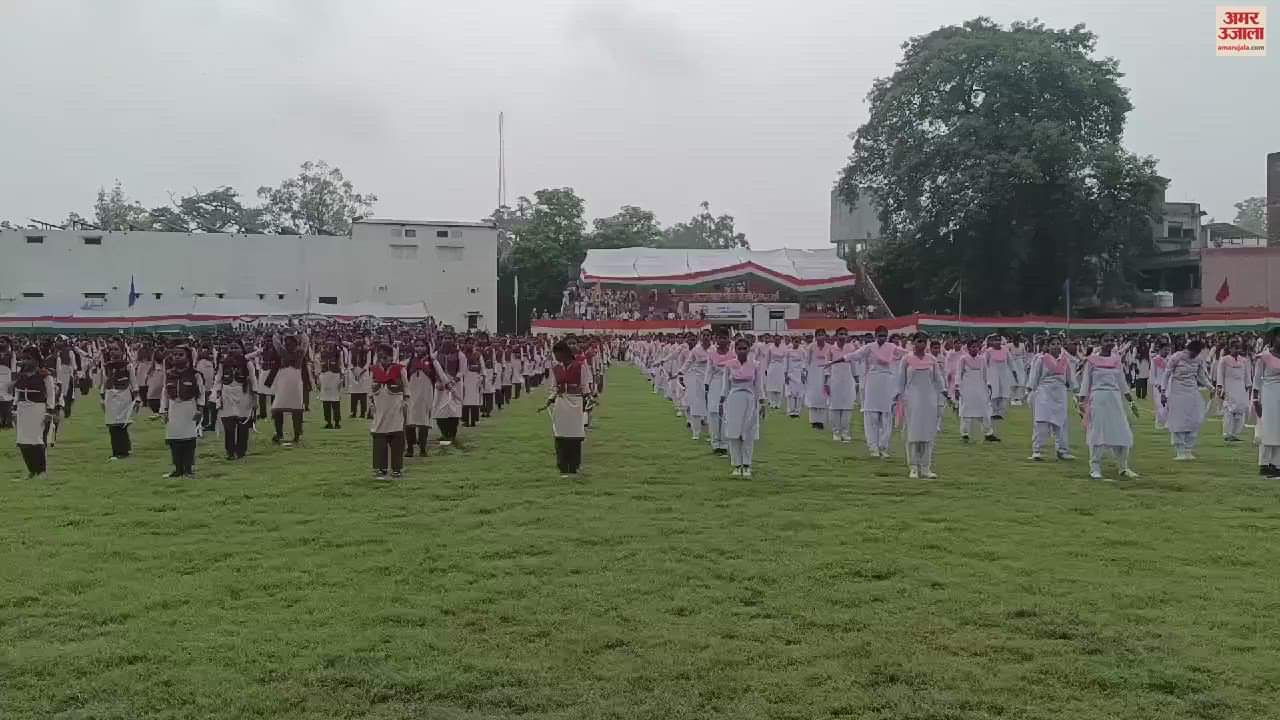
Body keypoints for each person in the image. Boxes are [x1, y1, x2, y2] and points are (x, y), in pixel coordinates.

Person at [1079, 335, 1140, 481]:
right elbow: (1086, 380)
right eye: (1106, 340)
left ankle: (1123, 467)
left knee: (1122, 431)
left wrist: (1129, 398)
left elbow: (1121, 380)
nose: (1109, 343)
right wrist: (1082, 399)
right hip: (1098, 398)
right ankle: (1095, 468)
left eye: (1111, 340)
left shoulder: (1116, 359)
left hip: (1115, 399)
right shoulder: (1092, 360)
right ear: (1100, 343)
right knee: (1098, 432)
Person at [843, 325, 904, 458]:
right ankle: (873, 447)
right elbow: (854, 355)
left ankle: (883, 446)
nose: (882, 337)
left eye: (885, 335)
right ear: (876, 335)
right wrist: (835, 361)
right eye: (880, 335)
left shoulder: (892, 347)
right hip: (873, 380)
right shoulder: (869, 347)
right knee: (872, 415)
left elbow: (906, 354)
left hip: (887, 381)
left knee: (887, 416)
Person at [898, 333, 948, 479]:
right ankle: (913, 467)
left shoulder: (931, 359)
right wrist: (898, 396)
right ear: (913, 343)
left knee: (927, 433)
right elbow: (901, 381)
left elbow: (938, 380)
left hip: (929, 400)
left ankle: (925, 467)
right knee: (913, 433)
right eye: (919, 341)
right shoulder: (906, 359)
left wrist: (944, 393)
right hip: (912, 400)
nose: (922, 345)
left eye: (924, 342)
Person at [719, 336, 766, 478]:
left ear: (749, 349)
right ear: (735, 349)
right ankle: (736, 465)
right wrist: (721, 402)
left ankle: (746, 465)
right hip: (733, 400)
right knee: (734, 433)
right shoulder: (729, 365)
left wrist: (762, 402)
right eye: (739, 348)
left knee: (748, 433)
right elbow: (725, 386)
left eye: (744, 348)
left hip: (750, 400)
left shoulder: (755, 365)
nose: (742, 351)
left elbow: (758, 385)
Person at [1025, 336, 1075, 461]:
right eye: (1053, 344)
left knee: (1061, 422)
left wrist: (1075, 389)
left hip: (1060, 393)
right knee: (1041, 421)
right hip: (1044, 392)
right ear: (1047, 346)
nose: (1056, 346)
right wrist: (1030, 390)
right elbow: (1034, 376)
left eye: (1058, 343)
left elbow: (1070, 378)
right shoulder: (1040, 359)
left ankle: (1062, 450)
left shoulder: (1065, 360)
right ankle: (1037, 450)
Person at [10, 347, 56, 478]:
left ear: (36, 360)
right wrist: (14, 408)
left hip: (38, 409)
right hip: (22, 409)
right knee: (23, 441)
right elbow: (17, 392)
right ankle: (31, 470)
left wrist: (49, 411)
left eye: (28, 358)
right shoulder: (21, 375)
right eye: (24, 358)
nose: (25, 361)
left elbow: (51, 394)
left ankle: (41, 470)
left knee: (36, 440)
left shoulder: (45, 375)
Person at [160, 347, 205, 479]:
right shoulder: (168, 374)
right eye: (175, 355)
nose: (177, 357)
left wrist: (200, 410)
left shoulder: (195, 374)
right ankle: (177, 469)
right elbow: (165, 393)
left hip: (189, 408)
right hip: (173, 410)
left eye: (181, 355)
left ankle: (188, 469)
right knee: (174, 441)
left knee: (189, 441)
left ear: (188, 357)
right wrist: (164, 410)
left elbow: (201, 394)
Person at [547, 340, 589, 476]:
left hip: (576, 402)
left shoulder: (580, 366)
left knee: (575, 435)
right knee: (560, 434)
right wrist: (551, 398)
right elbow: (554, 387)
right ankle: (563, 466)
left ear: (564, 353)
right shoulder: (555, 368)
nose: (556, 358)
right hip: (561, 402)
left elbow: (584, 386)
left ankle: (574, 465)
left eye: (557, 354)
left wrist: (588, 397)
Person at [1164, 339, 1211, 461]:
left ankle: (1188, 450)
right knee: (1178, 421)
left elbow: (1201, 377)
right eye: (1194, 352)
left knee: (1193, 420)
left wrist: (1211, 387)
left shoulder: (1198, 359)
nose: (1195, 355)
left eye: (1197, 353)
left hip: (1192, 392)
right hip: (1177, 392)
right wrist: (1164, 390)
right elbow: (1167, 373)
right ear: (1189, 349)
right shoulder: (1176, 357)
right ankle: (1180, 451)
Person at [369, 343, 407, 480]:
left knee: (396, 436)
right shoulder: (373, 370)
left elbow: (406, 388)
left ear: (392, 357)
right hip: (379, 407)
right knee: (379, 436)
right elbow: (370, 389)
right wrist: (371, 403)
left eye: (386, 356)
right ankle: (380, 468)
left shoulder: (400, 370)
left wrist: (405, 402)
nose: (383, 359)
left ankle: (397, 469)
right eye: (380, 355)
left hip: (395, 406)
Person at [268, 331, 310, 447]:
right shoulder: (285, 352)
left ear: (296, 343)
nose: (288, 344)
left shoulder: (297, 353)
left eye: (290, 342)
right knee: (278, 410)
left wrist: (279, 332)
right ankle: (281, 433)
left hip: (293, 383)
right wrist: (300, 332)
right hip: (286, 383)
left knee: (294, 410)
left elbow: (276, 341)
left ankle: (295, 434)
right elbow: (305, 341)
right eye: (286, 342)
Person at [215, 343, 255, 461]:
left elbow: (253, 380)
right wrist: (217, 396)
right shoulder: (223, 363)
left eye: (236, 348)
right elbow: (218, 380)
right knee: (229, 425)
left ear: (241, 350)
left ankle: (241, 451)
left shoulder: (248, 363)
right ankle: (230, 451)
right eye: (231, 348)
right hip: (227, 394)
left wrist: (254, 399)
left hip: (244, 395)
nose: (233, 350)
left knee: (243, 424)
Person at [98, 346, 138, 461]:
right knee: (112, 425)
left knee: (122, 425)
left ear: (122, 352)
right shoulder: (106, 366)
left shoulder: (128, 366)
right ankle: (116, 451)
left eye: (116, 349)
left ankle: (123, 451)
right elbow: (104, 381)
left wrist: (137, 397)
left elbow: (133, 382)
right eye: (112, 350)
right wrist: (102, 395)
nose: (113, 352)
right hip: (110, 396)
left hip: (124, 395)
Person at [1252, 330, 1280, 478]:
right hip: (1268, 394)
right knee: (1267, 429)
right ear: (1274, 338)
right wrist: (1255, 400)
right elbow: (1257, 379)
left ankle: (1276, 464)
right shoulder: (1264, 357)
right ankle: (1264, 464)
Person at [955, 338, 995, 442]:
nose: (975, 349)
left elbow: (986, 373)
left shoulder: (982, 359)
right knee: (966, 411)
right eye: (973, 347)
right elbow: (958, 373)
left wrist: (989, 384)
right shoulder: (963, 359)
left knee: (984, 410)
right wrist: (957, 387)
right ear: (968, 348)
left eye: (976, 347)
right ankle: (965, 433)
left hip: (980, 388)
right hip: (967, 388)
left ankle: (988, 433)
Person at [432, 335, 466, 446]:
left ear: (453, 340)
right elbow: (433, 370)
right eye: (445, 338)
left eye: (449, 338)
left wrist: (453, 381)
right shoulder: (436, 354)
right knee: (439, 410)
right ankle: (444, 434)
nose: (447, 340)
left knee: (453, 410)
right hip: (440, 386)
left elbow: (462, 370)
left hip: (455, 385)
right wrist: (437, 382)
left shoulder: (459, 354)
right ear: (442, 340)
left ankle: (452, 435)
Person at [825, 329, 858, 443]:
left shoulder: (851, 348)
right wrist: (826, 382)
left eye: (845, 334)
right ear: (836, 335)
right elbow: (827, 366)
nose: (843, 336)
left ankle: (845, 432)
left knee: (847, 407)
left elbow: (853, 365)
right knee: (835, 407)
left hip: (848, 379)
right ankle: (836, 432)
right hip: (834, 378)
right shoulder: (831, 349)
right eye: (840, 334)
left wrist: (856, 379)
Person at [1215, 340, 1250, 442]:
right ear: (1230, 348)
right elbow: (1220, 374)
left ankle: (1235, 434)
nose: (1237, 350)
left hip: (1241, 387)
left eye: (1239, 347)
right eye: (1235, 347)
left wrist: (1248, 385)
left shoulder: (1244, 360)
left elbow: (1247, 374)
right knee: (1229, 410)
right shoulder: (1224, 360)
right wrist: (1220, 386)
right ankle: (1227, 433)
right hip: (1229, 385)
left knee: (1240, 410)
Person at [706, 334, 733, 456]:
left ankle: (724, 443)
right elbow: (709, 370)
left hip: (728, 383)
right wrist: (706, 384)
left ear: (728, 339)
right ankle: (715, 443)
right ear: (716, 339)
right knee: (714, 413)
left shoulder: (733, 354)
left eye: (724, 337)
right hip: (715, 383)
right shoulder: (712, 354)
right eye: (720, 337)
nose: (722, 340)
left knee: (726, 413)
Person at [683, 332, 712, 440]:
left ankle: (711, 433)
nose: (706, 337)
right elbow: (688, 362)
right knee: (696, 405)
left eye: (708, 335)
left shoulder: (714, 349)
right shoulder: (696, 350)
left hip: (711, 380)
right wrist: (681, 372)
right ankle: (696, 433)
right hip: (697, 379)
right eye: (704, 335)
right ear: (701, 337)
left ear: (711, 337)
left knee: (711, 407)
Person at [984, 336, 1015, 433]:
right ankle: (993, 412)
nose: (997, 342)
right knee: (994, 392)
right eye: (995, 340)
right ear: (992, 342)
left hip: (1004, 373)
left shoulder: (1005, 350)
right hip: (992, 373)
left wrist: (1013, 371)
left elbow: (1010, 361)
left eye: (999, 340)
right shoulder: (988, 351)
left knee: (1003, 392)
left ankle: (1000, 412)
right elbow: (984, 363)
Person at [804, 330, 833, 429]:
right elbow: (807, 361)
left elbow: (831, 360)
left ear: (825, 336)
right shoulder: (811, 347)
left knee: (823, 395)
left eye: (822, 335)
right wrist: (805, 372)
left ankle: (821, 421)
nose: (821, 337)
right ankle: (813, 421)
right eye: (818, 335)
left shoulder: (829, 347)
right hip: (813, 373)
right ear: (815, 337)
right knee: (813, 396)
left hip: (825, 372)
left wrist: (830, 373)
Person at [317, 340, 346, 430]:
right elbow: (318, 367)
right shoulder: (321, 353)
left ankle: (337, 422)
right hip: (325, 376)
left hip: (335, 376)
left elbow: (341, 365)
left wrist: (342, 377)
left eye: (331, 344)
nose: (329, 345)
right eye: (328, 344)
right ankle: (328, 422)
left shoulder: (338, 353)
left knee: (335, 400)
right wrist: (318, 378)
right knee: (326, 401)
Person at [346, 339, 372, 420]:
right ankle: (353, 412)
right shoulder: (351, 350)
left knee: (363, 394)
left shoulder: (367, 351)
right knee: (354, 394)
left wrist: (361, 372)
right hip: (353, 372)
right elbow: (349, 362)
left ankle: (362, 412)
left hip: (363, 372)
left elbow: (368, 363)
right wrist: (353, 371)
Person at [784, 335, 806, 418]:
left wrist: (804, 374)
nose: (796, 343)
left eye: (798, 341)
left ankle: (797, 411)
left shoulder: (802, 351)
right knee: (791, 394)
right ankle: (791, 411)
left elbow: (804, 363)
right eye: (795, 341)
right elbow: (786, 364)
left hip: (799, 374)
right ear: (792, 342)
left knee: (799, 394)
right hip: (790, 374)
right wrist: (785, 375)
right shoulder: (788, 351)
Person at [764, 336, 787, 409]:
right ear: (774, 340)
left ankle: (778, 403)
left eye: (778, 340)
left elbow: (785, 359)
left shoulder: (783, 348)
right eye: (776, 339)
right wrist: (766, 369)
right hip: (772, 366)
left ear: (780, 340)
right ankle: (772, 402)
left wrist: (785, 369)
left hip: (780, 367)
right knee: (771, 385)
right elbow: (767, 359)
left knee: (779, 385)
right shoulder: (770, 348)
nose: (777, 341)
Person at [0, 338, 15, 429]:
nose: (0, 343)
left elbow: (14, 370)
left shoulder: (12, 354)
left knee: (7, 401)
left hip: (7, 379)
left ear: (8, 343)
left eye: (2, 341)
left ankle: (8, 421)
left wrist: (12, 383)